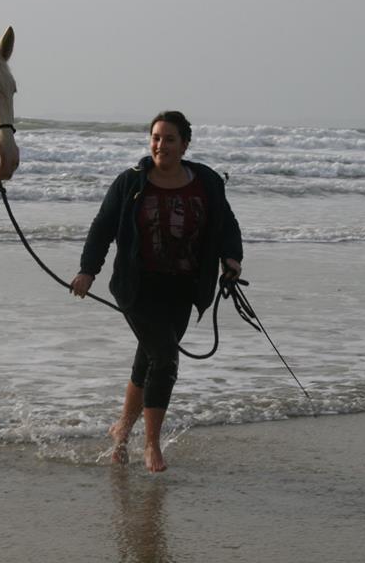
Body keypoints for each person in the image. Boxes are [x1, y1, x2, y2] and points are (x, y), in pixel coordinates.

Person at [70, 110, 243, 472]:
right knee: (165, 358)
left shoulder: (207, 182)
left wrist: (232, 259)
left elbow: (226, 223)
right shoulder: (131, 182)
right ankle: (151, 445)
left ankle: (121, 433)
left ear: (184, 144)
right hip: (137, 288)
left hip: (184, 287)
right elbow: (103, 227)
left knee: (148, 359)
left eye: (168, 139)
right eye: (155, 138)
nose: (160, 145)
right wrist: (88, 271)